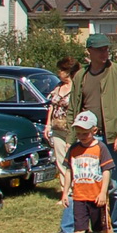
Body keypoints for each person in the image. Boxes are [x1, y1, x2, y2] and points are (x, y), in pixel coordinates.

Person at [63, 34, 117, 233]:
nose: (104, 53)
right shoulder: (80, 76)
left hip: (111, 138)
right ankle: (68, 232)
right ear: (89, 52)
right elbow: (72, 109)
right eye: (100, 50)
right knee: (79, 184)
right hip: (86, 137)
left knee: (114, 187)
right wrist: (69, 137)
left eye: (106, 49)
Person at [61, 111, 117, 233]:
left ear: (94, 130)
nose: (82, 137)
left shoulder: (100, 148)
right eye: (78, 134)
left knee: (104, 228)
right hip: (79, 196)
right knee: (79, 229)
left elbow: (107, 171)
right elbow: (69, 171)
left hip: (96, 196)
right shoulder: (74, 149)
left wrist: (102, 193)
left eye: (85, 133)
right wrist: (65, 193)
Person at [43, 56, 78, 210]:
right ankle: (66, 192)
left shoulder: (77, 88)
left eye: (62, 70)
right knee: (61, 160)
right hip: (57, 129)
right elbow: (51, 106)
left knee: (73, 161)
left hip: (71, 129)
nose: (59, 73)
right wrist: (47, 125)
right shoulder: (57, 87)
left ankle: (77, 191)